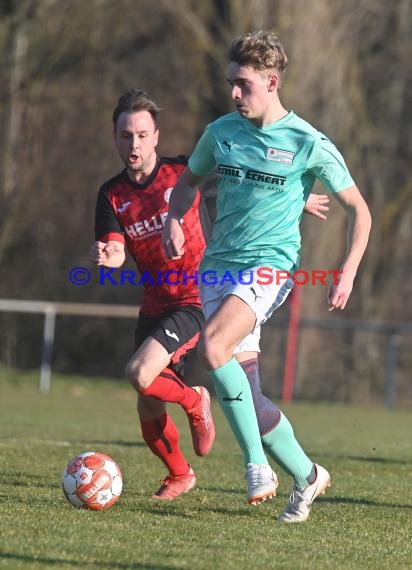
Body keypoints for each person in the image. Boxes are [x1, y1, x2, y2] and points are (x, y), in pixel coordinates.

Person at [162, 31, 372, 522]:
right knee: (248, 399)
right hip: (217, 269)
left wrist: (348, 270)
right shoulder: (220, 134)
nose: (234, 93)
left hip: (270, 266)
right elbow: (187, 184)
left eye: (244, 84)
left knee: (212, 349)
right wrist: (175, 218)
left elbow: (360, 210)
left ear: (272, 82)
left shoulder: (307, 141)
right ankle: (308, 474)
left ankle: (258, 466)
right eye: (231, 83)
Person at [89, 88, 329, 504]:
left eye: (142, 135)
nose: (134, 144)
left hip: (197, 298)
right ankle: (180, 474)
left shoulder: (183, 172)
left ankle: (196, 399)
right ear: (115, 138)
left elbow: (250, 182)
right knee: (147, 402)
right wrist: (110, 255)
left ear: (156, 137)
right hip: (155, 306)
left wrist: (298, 196)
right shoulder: (111, 194)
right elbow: (114, 247)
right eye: (126, 135)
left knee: (140, 373)